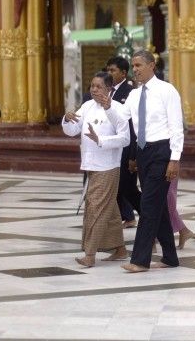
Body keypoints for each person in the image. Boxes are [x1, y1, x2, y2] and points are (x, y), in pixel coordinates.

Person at [111, 50, 184, 273]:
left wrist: (175, 159)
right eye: (133, 66)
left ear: (152, 65)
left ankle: (140, 259)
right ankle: (170, 257)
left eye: (139, 65)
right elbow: (121, 118)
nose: (136, 70)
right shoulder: (134, 94)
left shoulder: (167, 90)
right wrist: (106, 105)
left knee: (149, 204)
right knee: (157, 205)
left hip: (162, 151)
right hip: (144, 152)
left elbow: (176, 127)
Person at [63, 71, 131, 267]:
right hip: (91, 165)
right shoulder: (86, 106)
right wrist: (67, 120)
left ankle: (90, 254)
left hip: (108, 166)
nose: (93, 89)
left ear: (109, 89)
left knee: (96, 208)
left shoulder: (119, 109)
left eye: (98, 86)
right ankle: (119, 249)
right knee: (110, 210)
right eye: (92, 86)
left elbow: (125, 139)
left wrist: (101, 140)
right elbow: (72, 131)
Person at [105, 56, 138, 228]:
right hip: (112, 147)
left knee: (128, 187)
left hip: (126, 148)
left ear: (124, 73)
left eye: (113, 70)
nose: (109, 73)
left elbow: (132, 127)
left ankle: (146, 215)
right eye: (108, 70)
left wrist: (133, 155)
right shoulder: (108, 91)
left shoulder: (130, 92)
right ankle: (125, 216)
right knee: (117, 186)